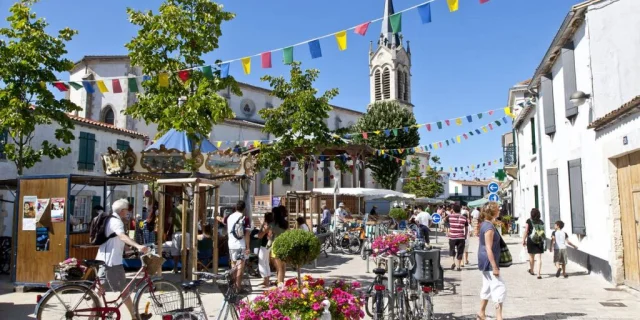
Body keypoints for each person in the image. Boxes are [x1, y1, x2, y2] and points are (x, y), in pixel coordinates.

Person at [95, 199, 149, 319]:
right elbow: (122, 236)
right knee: (125, 290)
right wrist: (138, 246)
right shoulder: (116, 222)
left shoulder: (110, 219)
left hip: (103, 258)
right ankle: (134, 317)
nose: (128, 213)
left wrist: (127, 249)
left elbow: (114, 238)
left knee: (99, 290)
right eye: (127, 210)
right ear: (122, 211)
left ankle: (91, 317)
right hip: (112, 261)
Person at [477, 202, 506, 320]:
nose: (499, 210)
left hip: (484, 259)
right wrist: (494, 266)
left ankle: (481, 313)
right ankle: (499, 317)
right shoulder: (489, 227)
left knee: (487, 287)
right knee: (499, 287)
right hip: (489, 261)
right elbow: (488, 247)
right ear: (493, 212)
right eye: (497, 209)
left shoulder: (486, 224)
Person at [226, 200, 251, 290]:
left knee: (233, 264)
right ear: (244, 208)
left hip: (231, 244)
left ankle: (233, 285)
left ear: (236, 207)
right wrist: (248, 247)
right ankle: (238, 286)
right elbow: (247, 234)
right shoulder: (245, 218)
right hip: (241, 245)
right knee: (240, 265)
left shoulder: (229, 217)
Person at [523, 208, 545, 279]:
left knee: (531, 257)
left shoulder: (528, 221)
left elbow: (526, 231)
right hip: (539, 240)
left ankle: (532, 270)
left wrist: (523, 239)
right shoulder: (541, 222)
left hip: (531, 240)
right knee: (539, 258)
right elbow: (542, 231)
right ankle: (539, 274)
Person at [447, 204, 468, 271]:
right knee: (460, 251)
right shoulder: (464, 218)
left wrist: (450, 213)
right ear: (460, 210)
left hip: (452, 237)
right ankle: (458, 266)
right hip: (461, 237)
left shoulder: (450, 217)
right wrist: (465, 235)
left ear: (453, 210)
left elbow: (444, 221)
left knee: (452, 249)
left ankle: (453, 262)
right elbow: (466, 228)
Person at [271, 206, 289, 285]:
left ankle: (279, 284)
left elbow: (270, 235)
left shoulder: (273, 224)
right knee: (283, 266)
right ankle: (281, 282)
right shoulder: (285, 223)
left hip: (276, 244)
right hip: (284, 244)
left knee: (279, 268)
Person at [256, 211, 273, 287]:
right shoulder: (272, 224)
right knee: (266, 262)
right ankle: (267, 280)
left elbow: (260, 235)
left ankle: (265, 280)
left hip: (264, 244)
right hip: (269, 244)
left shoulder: (266, 225)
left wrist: (260, 231)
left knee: (261, 263)